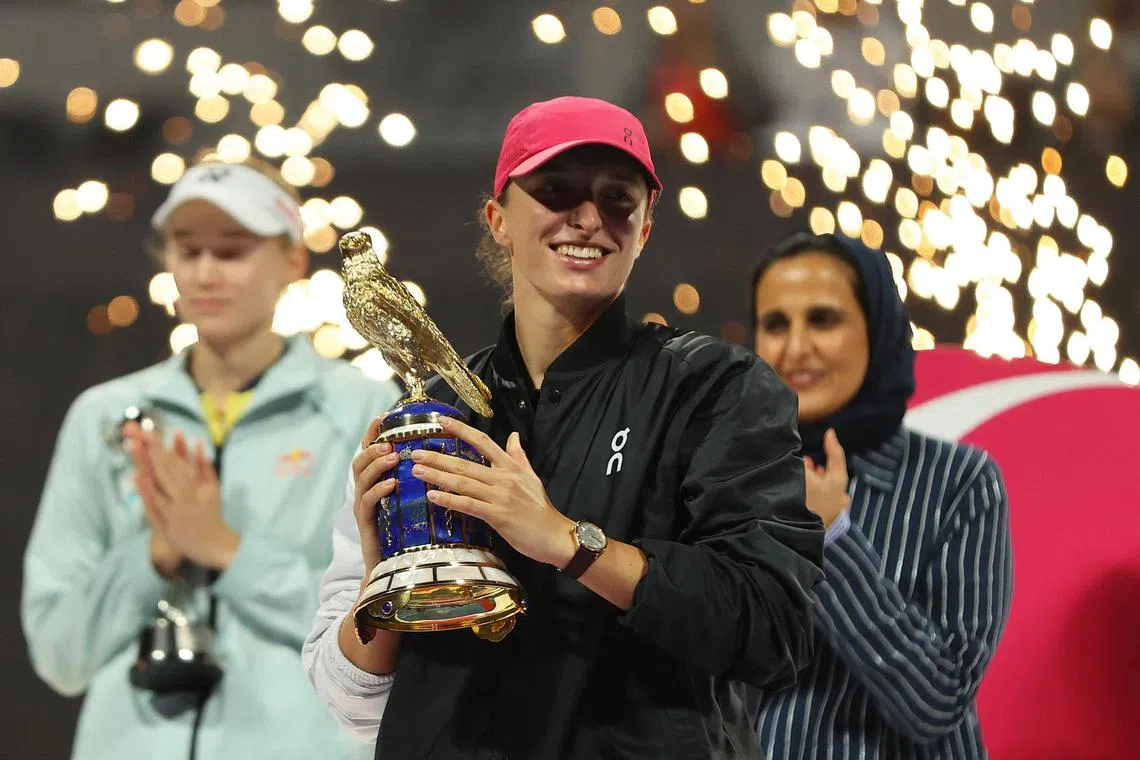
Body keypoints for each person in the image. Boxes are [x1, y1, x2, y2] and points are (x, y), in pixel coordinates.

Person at [302, 95, 825, 759]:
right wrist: (389, 583)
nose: (588, 218)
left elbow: (771, 631)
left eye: (617, 199)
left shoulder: (713, 389)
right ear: (498, 219)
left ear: (645, 228)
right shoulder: (431, 413)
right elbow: (347, 699)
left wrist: (569, 543)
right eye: (555, 191)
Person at [20, 153, 401, 760]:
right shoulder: (103, 416)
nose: (204, 273)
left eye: (231, 250)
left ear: (292, 261)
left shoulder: (362, 410)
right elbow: (59, 654)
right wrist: (153, 557)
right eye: (186, 249)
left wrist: (227, 550)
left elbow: (381, 622)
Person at [750, 232, 1014, 759]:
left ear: (877, 330)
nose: (795, 347)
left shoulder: (958, 482)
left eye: (823, 319)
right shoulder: (731, 474)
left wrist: (828, 536)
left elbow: (937, 701)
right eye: (776, 324)